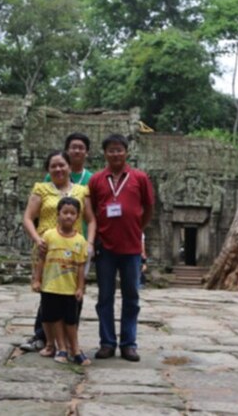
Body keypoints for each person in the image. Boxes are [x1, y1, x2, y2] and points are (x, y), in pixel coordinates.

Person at [20, 133, 93, 352]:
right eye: (53, 166)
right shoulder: (41, 188)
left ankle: (70, 340)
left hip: (74, 249)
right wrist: (37, 238)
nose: (58, 169)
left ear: (69, 167)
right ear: (48, 170)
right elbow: (28, 217)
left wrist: (89, 244)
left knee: (73, 294)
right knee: (48, 294)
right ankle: (44, 337)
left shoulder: (82, 190)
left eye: (62, 165)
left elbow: (91, 219)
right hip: (46, 249)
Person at [89, 133, 154, 362]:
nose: (115, 154)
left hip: (132, 248)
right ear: (104, 153)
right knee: (104, 297)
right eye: (111, 150)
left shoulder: (139, 178)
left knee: (132, 297)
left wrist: (137, 227)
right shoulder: (97, 179)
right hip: (105, 247)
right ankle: (107, 342)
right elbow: (92, 210)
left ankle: (129, 344)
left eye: (119, 149)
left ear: (126, 152)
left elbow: (148, 207)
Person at [31, 197, 91, 365]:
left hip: (69, 289)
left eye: (73, 213)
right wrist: (37, 280)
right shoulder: (48, 236)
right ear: (58, 214)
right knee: (52, 318)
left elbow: (80, 267)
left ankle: (74, 348)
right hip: (50, 286)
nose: (68, 216)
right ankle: (59, 348)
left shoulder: (80, 241)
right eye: (65, 212)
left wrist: (80, 287)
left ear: (78, 216)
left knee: (70, 321)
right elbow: (41, 260)